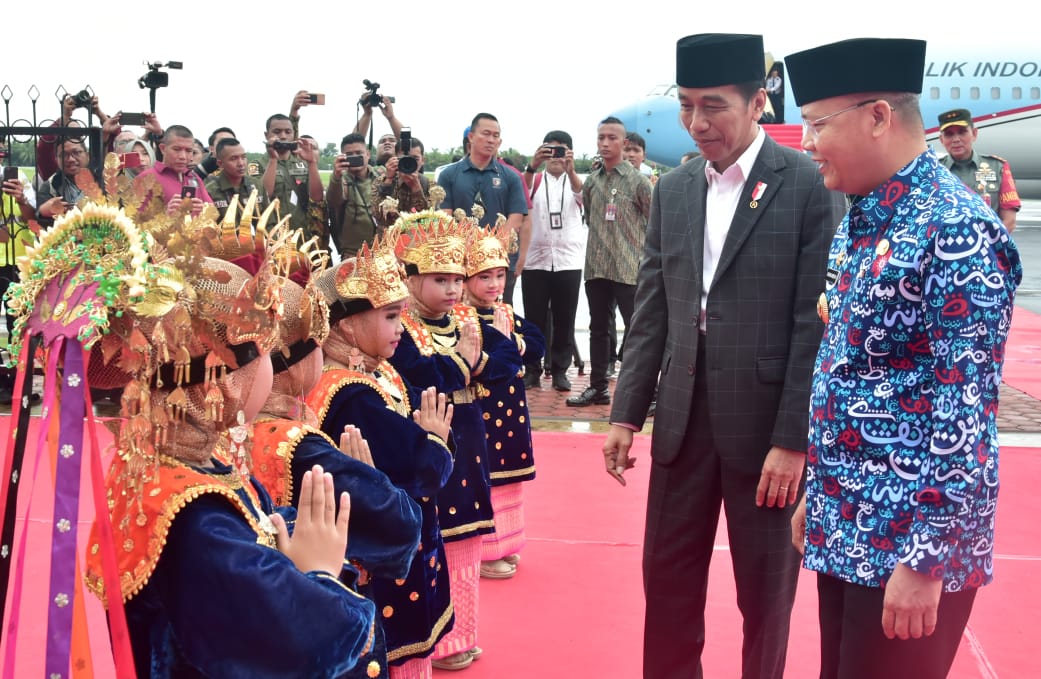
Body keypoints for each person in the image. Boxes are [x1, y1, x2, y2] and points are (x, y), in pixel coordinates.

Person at [600, 33, 847, 678]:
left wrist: (795, 439)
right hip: (682, 420)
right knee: (667, 580)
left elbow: (812, 325)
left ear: (758, 101)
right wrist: (627, 413)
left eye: (714, 106)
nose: (697, 122)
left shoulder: (806, 186)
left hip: (766, 430)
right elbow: (653, 308)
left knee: (765, 593)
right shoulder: (677, 189)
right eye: (686, 106)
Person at [784, 38, 1022, 679]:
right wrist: (824, 492)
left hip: (910, 546)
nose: (807, 143)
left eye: (817, 124)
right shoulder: (867, 218)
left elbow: (963, 409)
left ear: (878, 116)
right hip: (852, 521)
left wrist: (927, 559)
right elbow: (854, 368)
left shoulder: (955, 230)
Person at [60, 204, 379, 678]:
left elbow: (260, 530)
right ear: (223, 382)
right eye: (267, 353)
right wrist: (321, 577)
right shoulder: (194, 514)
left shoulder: (181, 464)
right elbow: (307, 639)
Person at [252, 266, 425, 679]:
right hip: (319, 625)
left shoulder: (232, 437)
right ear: (291, 365)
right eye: (317, 346)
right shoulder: (302, 444)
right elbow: (398, 522)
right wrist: (375, 481)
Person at [307, 236, 457, 678]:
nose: (400, 327)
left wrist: (431, 441)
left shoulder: (376, 369)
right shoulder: (350, 394)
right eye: (391, 316)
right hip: (384, 556)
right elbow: (420, 466)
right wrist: (435, 441)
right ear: (347, 324)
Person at [389, 211, 519, 671]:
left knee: (464, 545)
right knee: (432, 545)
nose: (452, 290)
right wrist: (467, 364)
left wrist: (471, 361)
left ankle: (461, 638)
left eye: (456, 279)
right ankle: (433, 641)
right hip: (428, 445)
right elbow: (419, 376)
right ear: (409, 279)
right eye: (439, 279)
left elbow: (506, 358)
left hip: (469, 444)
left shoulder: (466, 316)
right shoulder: (399, 327)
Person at [461, 224, 544, 579]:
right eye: (484, 277)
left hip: (510, 415)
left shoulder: (505, 312)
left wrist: (515, 345)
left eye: (499, 275)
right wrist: (506, 348)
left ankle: (506, 545)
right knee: (486, 479)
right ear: (464, 279)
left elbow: (538, 340)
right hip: (481, 413)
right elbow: (483, 364)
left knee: (508, 480)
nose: (495, 285)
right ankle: (485, 552)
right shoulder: (459, 319)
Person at [566, 116, 652, 408]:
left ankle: (647, 393)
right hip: (597, 266)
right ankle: (598, 388)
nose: (605, 143)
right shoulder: (592, 182)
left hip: (630, 267)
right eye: (601, 137)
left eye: (612, 138)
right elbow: (590, 216)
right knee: (598, 328)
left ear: (624, 143)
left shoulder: (639, 182)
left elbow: (654, 224)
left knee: (638, 330)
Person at [436, 114, 529, 305]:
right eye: (486, 134)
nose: (491, 140)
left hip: (498, 261)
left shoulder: (510, 177)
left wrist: (491, 251)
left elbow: (516, 217)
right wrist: (468, 250)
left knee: (499, 314)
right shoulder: (449, 175)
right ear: (471, 137)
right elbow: (445, 217)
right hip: (460, 260)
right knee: (461, 315)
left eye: (496, 136)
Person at [520, 130, 585, 392]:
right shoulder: (534, 180)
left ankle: (560, 370)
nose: (555, 156)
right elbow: (519, 195)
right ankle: (532, 370)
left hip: (568, 260)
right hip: (536, 259)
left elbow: (584, 198)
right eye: (550, 150)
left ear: (570, 153)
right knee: (533, 319)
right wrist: (531, 165)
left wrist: (571, 171)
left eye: (561, 150)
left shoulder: (577, 181)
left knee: (564, 319)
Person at [936, 107, 1021, 232]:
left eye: (962, 132)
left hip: (988, 248)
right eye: (949, 134)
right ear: (942, 140)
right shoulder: (934, 171)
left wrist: (982, 247)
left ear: (974, 134)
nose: (956, 139)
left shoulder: (997, 167)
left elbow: (1009, 221)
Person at [260, 112, 324, 239]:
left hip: (304, 234)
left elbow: (317, 198)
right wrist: (273, 160)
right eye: (277, 132)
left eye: (288, 132)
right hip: (275, 237)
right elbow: (263, 197)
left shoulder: (304, 162)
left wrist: (312, 163)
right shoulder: (259, 165)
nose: (283, 136)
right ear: (267, 135)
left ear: (294, 135)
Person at [134, 124, 214, 217]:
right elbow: (133, 224)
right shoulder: (145, 178)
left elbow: (214, 215)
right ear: (163, 149)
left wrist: (205, 211)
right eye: (176, 149)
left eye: (188, 151)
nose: (183, 156)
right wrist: (166, 216)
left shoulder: (194, 178)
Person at [327, 133, 386, 258]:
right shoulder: (340, 179)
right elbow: (333, 201)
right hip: (353, 254)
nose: (355, 157)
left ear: (368, 154)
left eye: (359, 153)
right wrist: (336, 176)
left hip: (382, 251)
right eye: (349, 155)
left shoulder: (381, 176)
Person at [373, 135, 432, 228]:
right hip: (388, 239)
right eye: (403, 159)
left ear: (422, 160)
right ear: (395, 158)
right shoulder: (381, 181)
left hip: (417, 239)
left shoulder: (429, 184)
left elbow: (428, 218)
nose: (408, 163)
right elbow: (378, 216)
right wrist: (388, 181)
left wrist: (416, 188)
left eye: (414, 159)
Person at [204, 137, 267, 222]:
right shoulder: (211, 191)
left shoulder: (257, 185)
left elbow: (269, 221)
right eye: (233, 159)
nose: (241, 163)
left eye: (243, 157)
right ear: (220, 163)